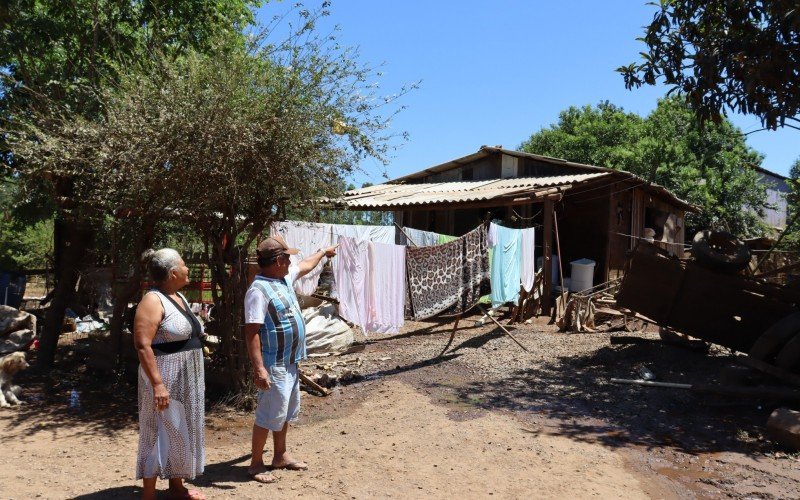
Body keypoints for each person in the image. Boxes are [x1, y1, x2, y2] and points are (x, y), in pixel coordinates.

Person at [244, 235, 337, 483]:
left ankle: (280, 456)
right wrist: (259, 369)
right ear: (277, 261)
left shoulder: (283, 277)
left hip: (290, 360)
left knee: (284, 412)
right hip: (273, 364)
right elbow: (251, 332)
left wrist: (323, 251)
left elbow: (306, 264)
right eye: (286, 257)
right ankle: (255, 464)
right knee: (267, 414)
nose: (290, 261)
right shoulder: (258, 291)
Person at [134, 249, 206, 500]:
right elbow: (143, 344)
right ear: (173, 272)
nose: (188, 270)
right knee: (156, 430)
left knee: (179, 428)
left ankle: (176, 487)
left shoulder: (178, 297)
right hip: (164, 376)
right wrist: (158, 385)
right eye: (184, 266)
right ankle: (149, 495)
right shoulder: (152, 301)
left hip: (185, 378)